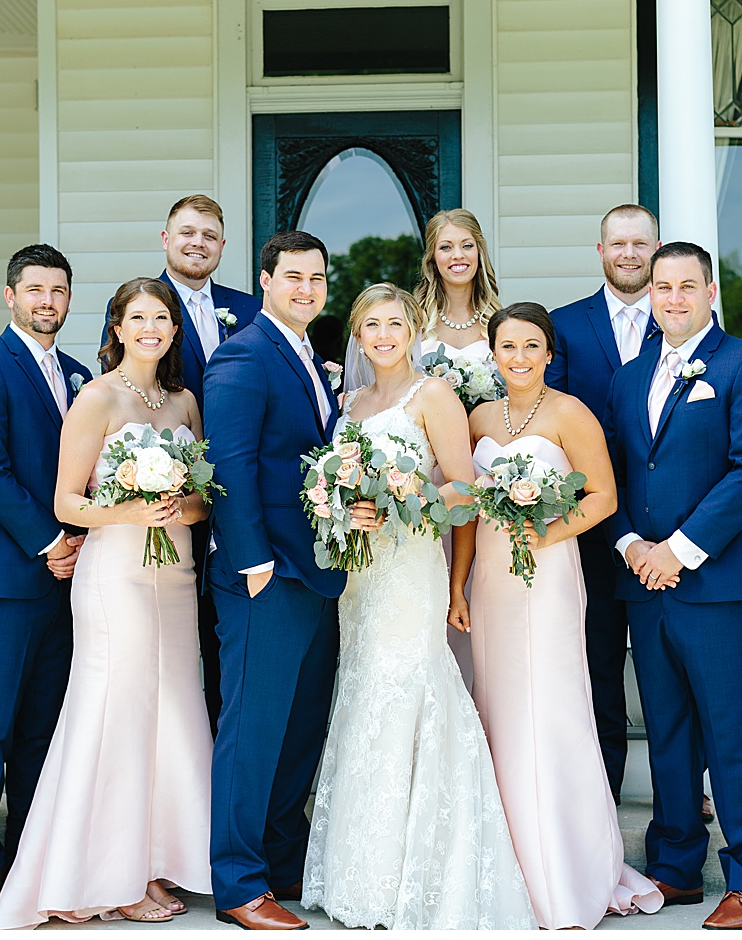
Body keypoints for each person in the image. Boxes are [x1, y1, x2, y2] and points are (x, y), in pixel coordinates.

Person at [301, 283, 535, 931]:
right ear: (357, 334)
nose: (383, 336)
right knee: (362, 693)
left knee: (407, 687)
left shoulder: (433, 396)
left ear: (413, 331)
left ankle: (421, 875)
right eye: (371, 325)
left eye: (395, 324)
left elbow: (465, 490)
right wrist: (344, 508)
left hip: (412, 568)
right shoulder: (350, 403)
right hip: (361, 575)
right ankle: (362, 874)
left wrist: (409, 504)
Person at [0, 277, 213, 927]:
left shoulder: (185, 402)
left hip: (174, 575)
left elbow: (204, 500)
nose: (151, 328)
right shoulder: (97, 396)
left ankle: (153, 861)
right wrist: (131, 510)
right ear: (117, 327)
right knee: (118, 714)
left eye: (161, 318)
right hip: (116, 577)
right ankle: (112, 876)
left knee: (171, 715)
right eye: (137, 317)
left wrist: (179, 505)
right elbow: (66, 501)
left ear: (174, 329)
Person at [459, 301, 662, 931]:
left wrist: (546, 534)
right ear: (493, 355)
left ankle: (564, 869)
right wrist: (458, 584)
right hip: (491, 581)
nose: (519, 358)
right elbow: (464, 504)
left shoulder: (571, 413)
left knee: (549, 707)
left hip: (547, 578)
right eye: (508, 347)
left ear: (550, 353)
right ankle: (508, 863)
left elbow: (604, 496)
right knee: (496, 706)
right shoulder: (479, 417)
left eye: (531, 346)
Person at [604, 241, 742, 930]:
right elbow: (614, 473)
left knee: (731, 729)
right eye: (663, 286)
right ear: (649, 294)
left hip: (720, 583)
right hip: (644, 581)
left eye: (688, 286)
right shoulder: (629, 378)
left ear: (711, 293)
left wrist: (678, 551)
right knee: (668, 729)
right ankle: (677, 864)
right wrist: (631, 544)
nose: (674, 298)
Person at [203, 230, 368, 931]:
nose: (307, 288)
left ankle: (279, 856)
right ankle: (238, 882)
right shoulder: (244, 354)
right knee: (253, 731)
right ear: (265, 280)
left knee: (299, 730)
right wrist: (255, 564)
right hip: (266, 576)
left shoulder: (307, 356)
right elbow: (230, 464)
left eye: (317, 278)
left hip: (318, 573)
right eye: (293, 276)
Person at [0, 244, 94, 927]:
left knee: (41, 732)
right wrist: (51, 541)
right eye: (35, 289)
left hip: (67, 584)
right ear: (10, 296)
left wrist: (82, 542)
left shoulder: (78, 374)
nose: (46, 301)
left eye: (57, 290)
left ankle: (26, 866)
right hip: (2, 583)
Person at [102, 194, 262, 735]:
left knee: (229, 655)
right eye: (187, 232)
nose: (198, 243)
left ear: (222, 245)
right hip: (162, 511)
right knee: (163, 653)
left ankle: (218, 761)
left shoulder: (249, 309)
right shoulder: (137, 305)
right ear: (166, 240)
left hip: (235, 503)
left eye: (209, 235)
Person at [544, 203, 660, 806]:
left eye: (640, 243)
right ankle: (602, 796)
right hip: (592, 529)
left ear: (656, 249)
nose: (629, 254)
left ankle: (681, 789)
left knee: (672, 671)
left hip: (668, 530)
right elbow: (554, 427)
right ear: (601, 251)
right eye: (618, 244)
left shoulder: (683, 319)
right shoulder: (565, 326)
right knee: (599, 665)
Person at [412, 208, 503, 691]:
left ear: (480, 252)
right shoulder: (414, 323)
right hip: (430, 475)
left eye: (466, 245)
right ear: (432, 257)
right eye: (446, 247)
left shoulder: (500, 322)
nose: (457, 255)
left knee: (481, 592)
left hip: (488, 473)